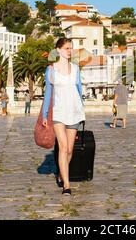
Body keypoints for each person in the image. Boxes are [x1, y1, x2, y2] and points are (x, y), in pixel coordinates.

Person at [42, 38, 85, 196]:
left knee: (70, 150)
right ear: (58, 50)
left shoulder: (75, 68)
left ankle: (62, 173)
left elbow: (79, 89)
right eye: (67, 48)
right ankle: (66, 184)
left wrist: (82, 109)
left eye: (71, 48)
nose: (70, 51)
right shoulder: (51, 70)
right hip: (58, 111)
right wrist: (45, 113)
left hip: (74, 111)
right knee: (63, 147)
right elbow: (48, 93)